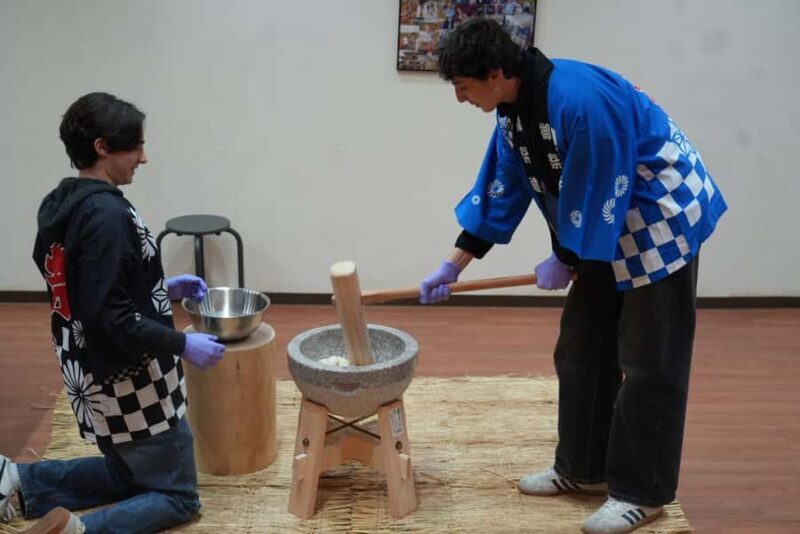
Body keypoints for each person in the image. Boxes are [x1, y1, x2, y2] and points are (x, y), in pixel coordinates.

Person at [419, 19, 727, 534]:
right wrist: (454, 264)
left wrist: (567, 255)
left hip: (659, 216)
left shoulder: (581, 100)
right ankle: (584, 470)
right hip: (600, 228)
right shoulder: (513, 112)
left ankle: (642, 493)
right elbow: (503, 186)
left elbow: (605, 186)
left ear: (495, 73)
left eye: (463, 87)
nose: (460, 98)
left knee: (649, 360)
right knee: (582, 346)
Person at [0, 92, 226, 533]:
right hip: (129, 377)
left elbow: (87, 288)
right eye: (134, 146)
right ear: (102, 147)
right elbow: (111, 316)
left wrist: (159, 288)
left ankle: (17, 481)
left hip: (88, 370)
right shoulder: (105, 215)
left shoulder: (66, 201)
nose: (143, 157)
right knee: (177, 497)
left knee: (128, 472)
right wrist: (183, 344)